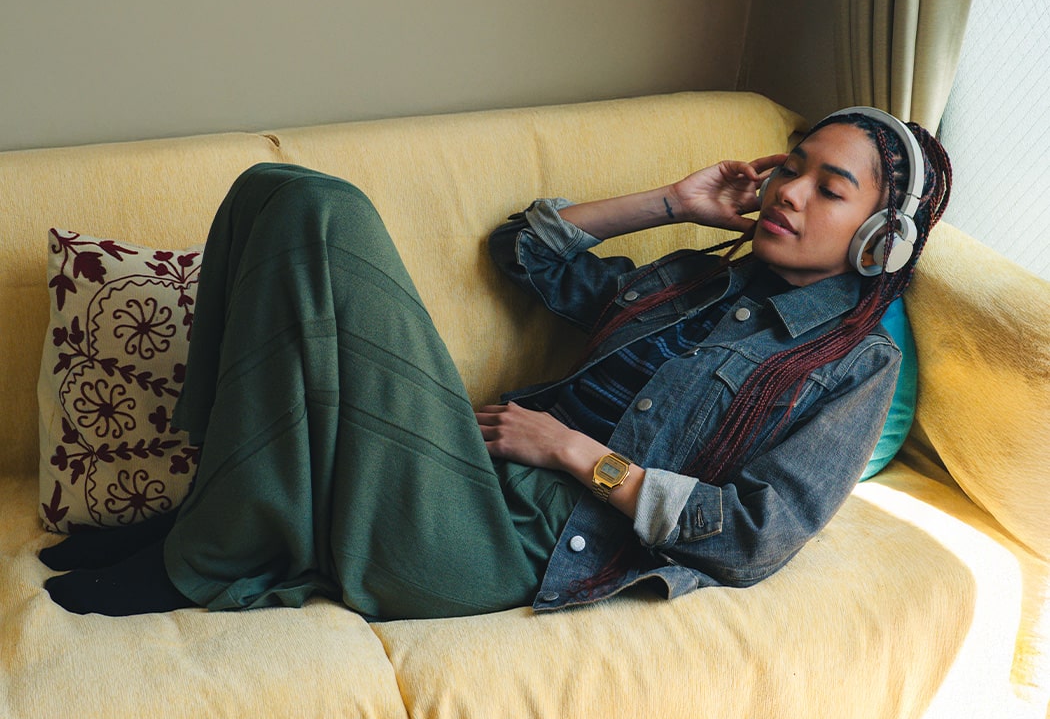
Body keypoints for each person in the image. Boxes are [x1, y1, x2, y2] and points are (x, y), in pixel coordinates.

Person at [41, 106, 951, 619]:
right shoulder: (697, 282)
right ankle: (208, 518)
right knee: (270, 192)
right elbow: (531, 250)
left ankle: (194, 555)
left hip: (516, 543)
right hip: (467, 468)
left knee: (323, 213)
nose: (789, 190)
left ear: (879, 237)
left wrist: (572, 452)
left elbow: (753, 537)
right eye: (794, 166)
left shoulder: (850, 365)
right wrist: (672, 201)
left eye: (829, 189)